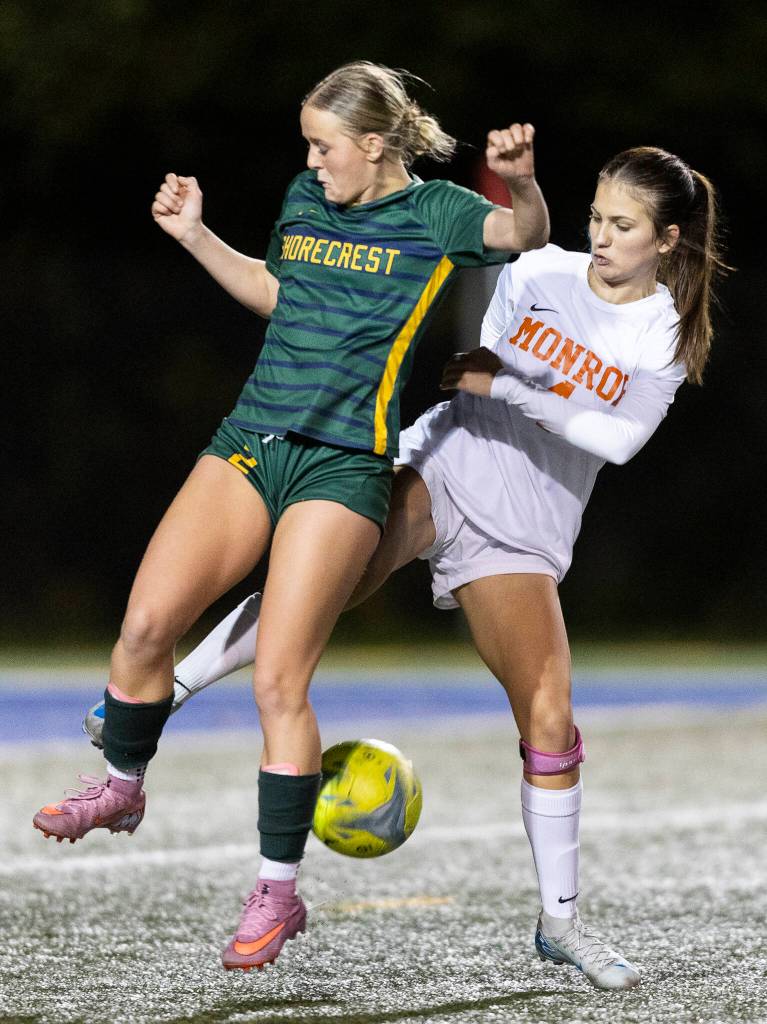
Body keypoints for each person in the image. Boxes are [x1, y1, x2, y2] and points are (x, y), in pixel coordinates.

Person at [82, 144, 726, 990]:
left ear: (667, 239)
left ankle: (560, 925)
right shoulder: (539, 270)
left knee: (548, 716)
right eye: (596, 218)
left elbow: (616, 438)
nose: (600, 237)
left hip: (522, 525)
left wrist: (514, 388)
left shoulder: (663, 332)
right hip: (443, 460)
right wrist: (501, 378)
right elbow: (481, 372)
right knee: (323, 586)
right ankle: (168, 693)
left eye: (623, 226)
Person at [33, 60, 550, 972]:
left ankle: (277, 893)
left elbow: (522, 233)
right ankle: (121, 785)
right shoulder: (306, 198)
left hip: (343, 463)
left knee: (278, 679)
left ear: (374, 144)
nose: (310, 162)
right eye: (306, 146)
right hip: (251, 439)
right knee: (146, 626)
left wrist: (523, 182)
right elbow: (279, 292)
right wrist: (197, 236)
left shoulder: (435, 213)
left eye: (322, 146)